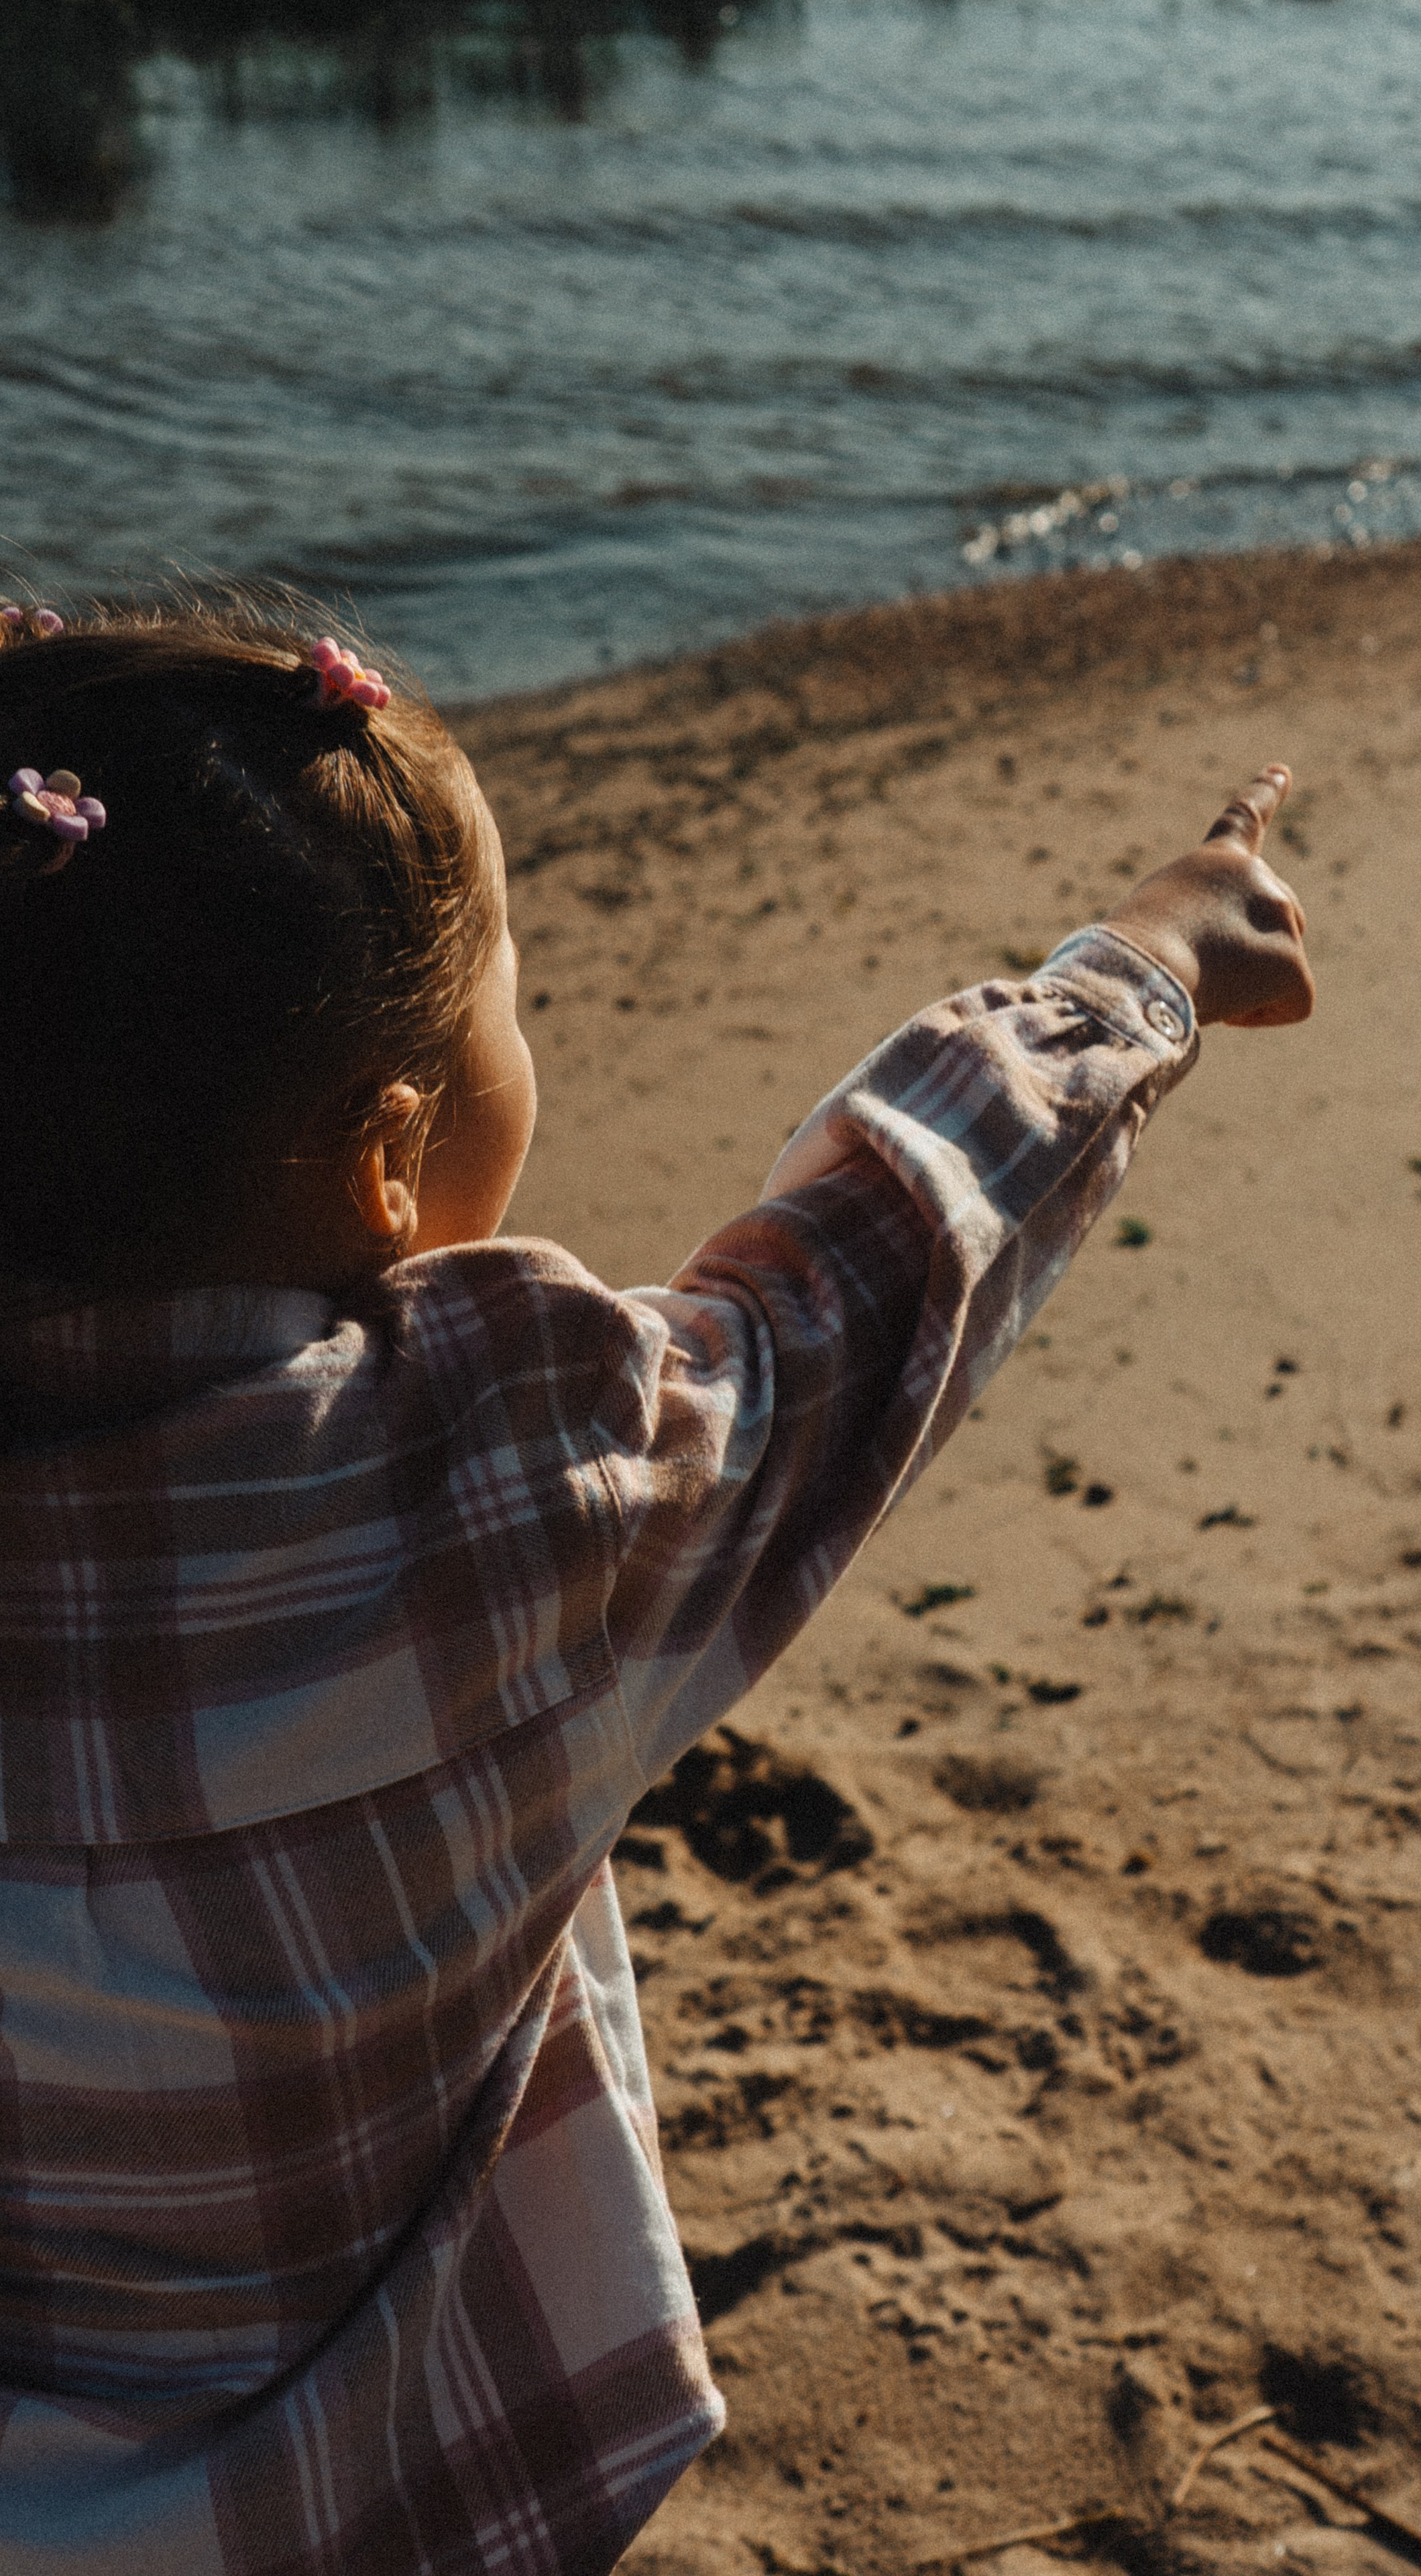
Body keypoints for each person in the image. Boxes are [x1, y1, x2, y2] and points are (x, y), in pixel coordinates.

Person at [0, 598, 1312, 2575]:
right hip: (382, 2492)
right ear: (389, 1156)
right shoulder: (515, 1493)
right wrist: (1142, 965)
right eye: (506, 1006)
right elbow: (863, 1282)